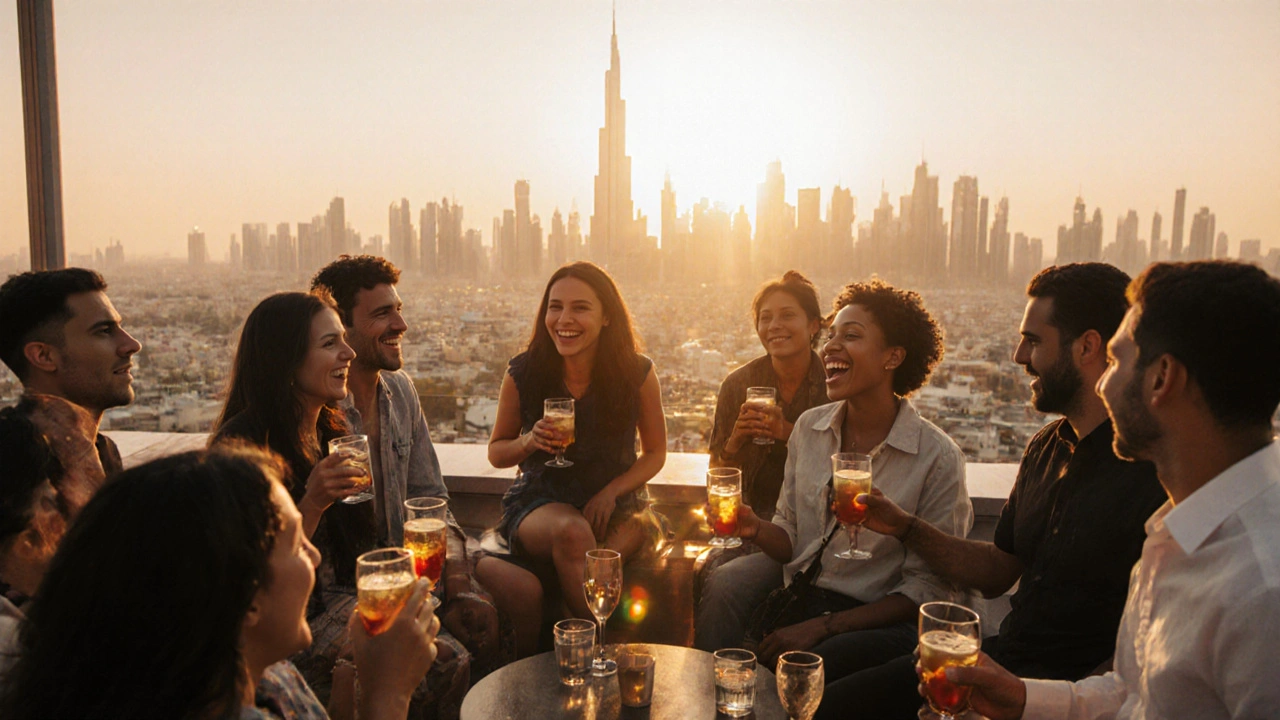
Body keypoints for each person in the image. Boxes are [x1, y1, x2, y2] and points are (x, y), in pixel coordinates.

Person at [816, 263, 1166, 720]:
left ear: (1088, 346)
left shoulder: (1152, 474)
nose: (1020, 355)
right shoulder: (1047, 446)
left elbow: (1141, 653)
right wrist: (905, 527)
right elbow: (999, 568)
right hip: (1004, 658)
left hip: (1067, 693)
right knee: (834, 701)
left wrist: (1031, 703)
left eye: (1034, 340)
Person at [944, 261, 1280, 720]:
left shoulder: (1261, 588)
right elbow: (1136, 691)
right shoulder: (1183, 530)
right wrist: (1024, 699)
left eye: (1118, 360)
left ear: (1162, 379)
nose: (1102, 382)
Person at [0, 445, 439, 720]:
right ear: (246, 593)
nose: (315, 554)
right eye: (296, 545)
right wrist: (388, 697)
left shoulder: (255, 679)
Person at [695, 279, 972, 682]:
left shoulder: (936, 457)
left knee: (805, 669)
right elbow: (792, 538)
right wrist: (754, 526)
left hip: (875, 618)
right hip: (808, 595)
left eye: (852, 336)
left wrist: (825, 626)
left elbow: (927, 590)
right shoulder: (811, 429)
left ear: (893, 357)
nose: (831, 347)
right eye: (833, 336)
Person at [311, 255, 513, 675]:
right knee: (446, 662)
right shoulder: (314, 412)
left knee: (494, 613)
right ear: (340, 330)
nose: (400, 325)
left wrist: (457, 583)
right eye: (383, 314)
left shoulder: (400, 392)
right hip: (343, 594)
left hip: (409, 578)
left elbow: (431, 498)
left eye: (398, 310)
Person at [486, 261, 667, 632]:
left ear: (606, 317)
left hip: (619, 506)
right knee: (573, 532)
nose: (564, 318)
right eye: (556, 307)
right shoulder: (524, 373)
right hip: (541, 504)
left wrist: (611, 491)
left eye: (580, 307)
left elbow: (655, 453)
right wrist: (529, 441)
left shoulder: (637, 374)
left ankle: (575, 640)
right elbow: (497, 451)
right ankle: (601, 650)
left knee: (599, 558)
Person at [0, 268, 143, 476]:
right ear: (44, 356)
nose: (132, 344)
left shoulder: (102, 453)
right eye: (104, 331)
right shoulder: (14, 473)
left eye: (120, 328)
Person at [709, 270, 828, 517]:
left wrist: (786, 431)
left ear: (813, 326)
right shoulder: (738, 385)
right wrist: (735, 441)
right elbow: (717, 476)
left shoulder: (834, 385)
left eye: (787, 315)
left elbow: (848, 466)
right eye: (765, 318)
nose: (774, 326)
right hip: (751, 523)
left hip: (818, 523)